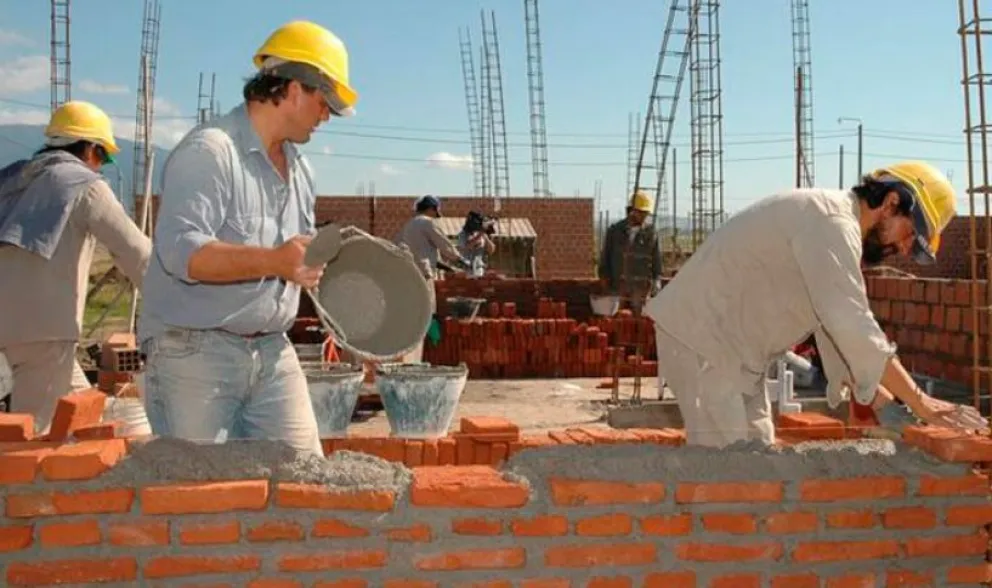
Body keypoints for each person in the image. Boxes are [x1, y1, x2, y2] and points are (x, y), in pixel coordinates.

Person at [138, 20, 359, 455]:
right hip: (195, 354)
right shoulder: (210, 153)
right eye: (324, 101)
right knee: (202, 501)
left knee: (305, 481)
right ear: (294, 89)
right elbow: (183, 254)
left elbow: (294, 259)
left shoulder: (300, 171)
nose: (326, 116)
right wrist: (274, 261)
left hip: (273, 352)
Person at [644, 161, 975, 447]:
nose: (904, 250)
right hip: (703, 340)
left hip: (733, 354)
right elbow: (850, 322)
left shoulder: (835, 230)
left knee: (754, 456)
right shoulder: (831, 221)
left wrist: (886, 406)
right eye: (909, 235)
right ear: (891, 202)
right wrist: (921, 403)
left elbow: (833, 331)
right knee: (729, 475)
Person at [0, 100, 150, 433]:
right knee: (35, 442)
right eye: (104, 157)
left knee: (86, 410)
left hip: (17, 328)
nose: (100, 166)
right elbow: (137, 252)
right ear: (90, 149)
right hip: (43, 331)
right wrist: (176, 306)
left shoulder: (15, 178)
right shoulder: (83, 185)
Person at [598, 190, 663, 314]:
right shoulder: (615, 231)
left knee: (637, 324)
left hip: (640, 288)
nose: (644, 216)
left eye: (646, 213)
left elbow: (656, 261)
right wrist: (604, 280)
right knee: (616, 321)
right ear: (631, 211)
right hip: (618, 286)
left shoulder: (650, 234)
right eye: (641, 212)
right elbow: (605, 257)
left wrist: (656, 281)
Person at [395, 195, 471, 280]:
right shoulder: (428, 222)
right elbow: (444, 245)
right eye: (436, 212)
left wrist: (449, 268)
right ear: (431, 208)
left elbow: (424, 254)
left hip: (409, 273)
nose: (435, 217)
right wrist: (462, 260)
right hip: (425, 273)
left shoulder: (408, 225)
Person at [457, 210, 496, 277]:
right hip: (467, 269)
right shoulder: (463, 234)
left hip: (479, 268)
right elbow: (465, 247)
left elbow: (491, 250)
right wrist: (480, 234)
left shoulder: (482, 234)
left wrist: (484, 234)